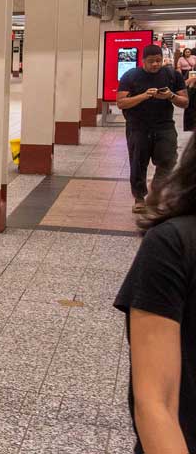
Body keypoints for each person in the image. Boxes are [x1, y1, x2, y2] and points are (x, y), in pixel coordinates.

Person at [114, 134, 196, 453]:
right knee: (139, 163)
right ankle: (141, 192)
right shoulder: (173, 245)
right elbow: (155, 403)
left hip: (160, 128)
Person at [116, 44, 189, 213]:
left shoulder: (172, 75)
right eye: (151, 61)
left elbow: (185, 102)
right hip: (138, 127)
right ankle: (139, 197)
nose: (155, 64)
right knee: (138, 163)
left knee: (168, 159)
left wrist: (170, 96)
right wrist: (144, 95)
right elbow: (121, 102)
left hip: (164, 126)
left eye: (158, 60)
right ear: (142, 61)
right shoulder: (130, 76)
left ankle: (156, 190)